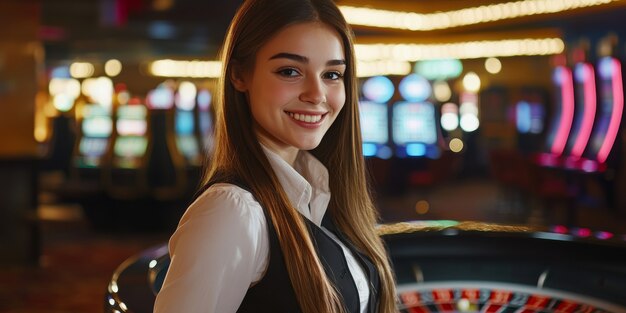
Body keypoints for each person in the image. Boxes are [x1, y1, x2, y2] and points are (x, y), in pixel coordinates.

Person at [154, 0, 397, 312]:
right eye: (290, 71)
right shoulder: (233, 210)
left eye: (332, 74)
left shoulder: (319, 190)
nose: (317, 94)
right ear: (240, 76)